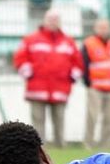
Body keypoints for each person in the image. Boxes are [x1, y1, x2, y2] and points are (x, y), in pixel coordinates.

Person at [13, 10, 83, 148]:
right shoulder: (31, 39)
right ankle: (39, 149)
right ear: (44, 21)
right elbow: (20, 59)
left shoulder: (68, 42)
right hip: (37, 88)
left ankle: (60, 147)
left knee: (59, 120)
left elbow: (78, 62)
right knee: (38, 122)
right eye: (50, 19)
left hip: (60, 89)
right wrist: (28, 73)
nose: (53, 22)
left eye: (55, 19)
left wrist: (72, 76)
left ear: (60, 22)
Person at [82, 19, 110, 149]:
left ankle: (105, 146)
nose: (103, 30)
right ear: (95, 28)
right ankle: (88, 144)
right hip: (96, 87)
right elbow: (84, 64)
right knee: (92, 117)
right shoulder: (89, 43)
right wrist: (87, 82)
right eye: (100, 27)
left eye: (105, 27)